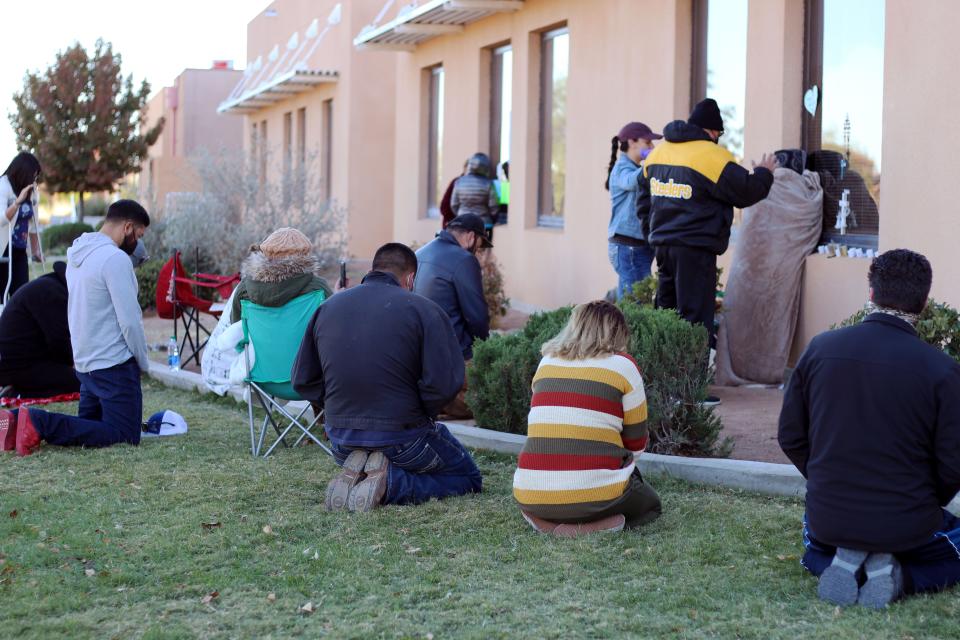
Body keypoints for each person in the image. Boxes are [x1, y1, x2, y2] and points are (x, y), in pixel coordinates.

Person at [778, 249, 960, 608]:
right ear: (923, 303)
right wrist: (921, 501)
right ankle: (898, 575)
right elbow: (953, 463)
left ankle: (839, 561)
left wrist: (823, 478)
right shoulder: (942, 370)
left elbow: (791, 437)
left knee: (814, 543)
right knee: (948, 550)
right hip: (907, 521)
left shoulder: (819, 350)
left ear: (872, 294)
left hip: (829, 518)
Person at [291, 242, 482, 512]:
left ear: (373, 269)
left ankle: (363, 474)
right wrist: (419, 411)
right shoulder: (425, 310)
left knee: (422, 443)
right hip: (404, 438)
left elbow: (302, 379)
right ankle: (390, 483)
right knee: (467, 477)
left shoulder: (328, 308)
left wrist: (336, 405)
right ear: (411, 278)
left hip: (342, 442)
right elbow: (445, 382)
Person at [0, 200, 152, 456]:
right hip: (113, 366)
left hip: (86, 369)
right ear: (127, 227)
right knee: (125, 435)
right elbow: (130, 322)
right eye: (138, 235)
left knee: (92, 427)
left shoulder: (77, 255)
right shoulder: (115, 259)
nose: (137, 242)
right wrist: (143, 363)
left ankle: (17, 419)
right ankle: (38, 422)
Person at [513, 301, 661, 537]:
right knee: (651, 504)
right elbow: (635, 444)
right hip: (597, 495)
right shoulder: (624, 366)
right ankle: (589, 526)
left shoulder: (546, 363)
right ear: (619, 332)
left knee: (547, 497)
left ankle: (546, 522)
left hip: (530, 493)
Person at [636, 98, 776, 346]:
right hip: (695, 250)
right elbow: (746, 191)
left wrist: (652, 234)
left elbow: (643, 200)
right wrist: (765, 173)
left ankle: (664, 377)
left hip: (664, 248)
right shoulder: (711, 156)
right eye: (719, 133)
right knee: (695, 321)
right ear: (712, 131)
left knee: (666, 316)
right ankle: (693, 382)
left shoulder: (658, 153)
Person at [414, 213, 491, 418]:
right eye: (480, 245)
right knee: (489, 396)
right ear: (471, 237)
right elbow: (477, 316)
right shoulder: (464, 260)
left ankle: (431, 400)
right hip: (453, 356)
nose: (479, 252)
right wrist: (484, 350)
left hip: (418, 356)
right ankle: (443, 402)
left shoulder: (419, 253)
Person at [0, 261, 79, 398]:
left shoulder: (50, 285)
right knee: (82, 381)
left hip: (21, 361)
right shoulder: (53, 293)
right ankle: (20, 392)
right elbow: (60, 342)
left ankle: (19, 388)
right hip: (20, 366)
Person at [605, 122, 662, 299]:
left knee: (633, 298)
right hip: (628, 247)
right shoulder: (623, 168)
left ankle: (611, 302)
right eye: (648, 143)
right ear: (632, 142)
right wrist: (653, 161)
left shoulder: (636, 168)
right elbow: (631, 181)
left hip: (636, 247)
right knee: (635, 304)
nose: (652, 148)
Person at [229, 227, 332, 323]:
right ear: (305, 254)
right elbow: (333, 323)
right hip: (304, 342)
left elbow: (235, 327)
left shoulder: (245, 289)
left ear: (265, 252)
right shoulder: (319, 288)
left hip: (258, 343)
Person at [0, 152, 43, 299]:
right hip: (2, 251)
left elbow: (33, 224)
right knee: (2, 297)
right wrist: (17, 202)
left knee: (22, 296)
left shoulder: (31, 191)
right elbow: (1, 219)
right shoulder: (3, 185)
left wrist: (36, 250)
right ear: (23, 172)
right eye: (33, 176)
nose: (34, 180)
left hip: (19, 251)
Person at [451, 152, 499, 238]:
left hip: (463, 223)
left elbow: (454, 205)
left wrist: (461, 215)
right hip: (484, 224)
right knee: (482, 250)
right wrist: (493, 219)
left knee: (463, 250)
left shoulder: (459, 182)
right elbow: (494, 207)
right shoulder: (488, 184)